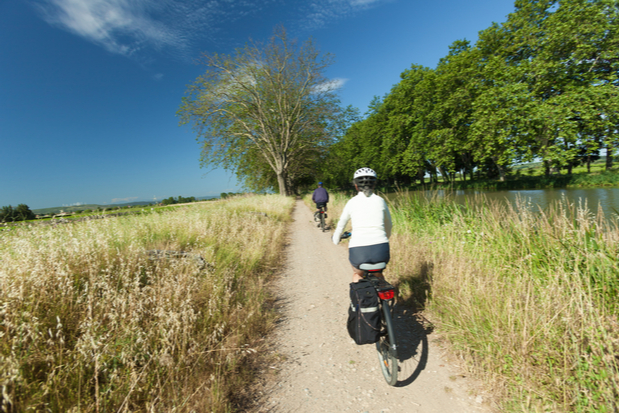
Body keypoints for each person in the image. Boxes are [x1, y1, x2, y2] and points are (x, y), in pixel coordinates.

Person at [332, 168, 392, 283]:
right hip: (381, 248)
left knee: (357, 274)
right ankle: (384, 295)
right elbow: (389, 224)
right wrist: (385, 237)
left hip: (358, 250)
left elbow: (341, 224)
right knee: (378, 273)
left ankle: (358, 300)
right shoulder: (380, 200)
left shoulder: (352, 202)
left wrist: (335, 239)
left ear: (355, 185)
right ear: (374, 184)